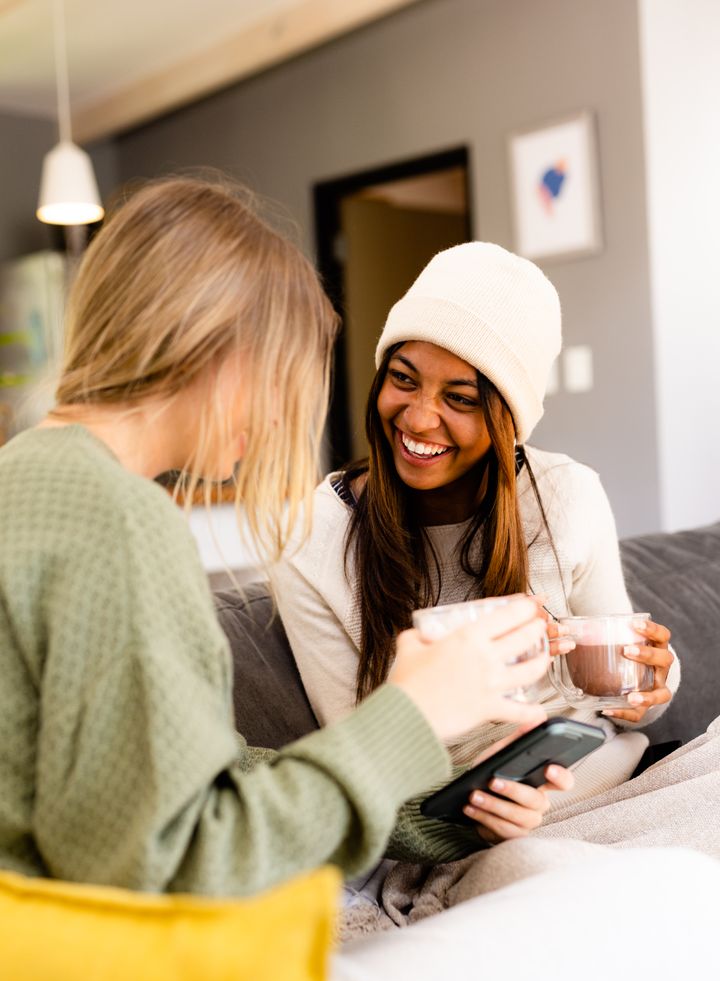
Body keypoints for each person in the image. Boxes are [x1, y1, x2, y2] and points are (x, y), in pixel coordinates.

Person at [2, 178, 719, 981]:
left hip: (82, 978)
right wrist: (414, 715)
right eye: (290, 376)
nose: (281, 420)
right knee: (681, 912)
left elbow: (198, 796)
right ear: (225, 352)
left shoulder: (32, 481)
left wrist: (442, 815)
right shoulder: (119, 523)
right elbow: (189, 863)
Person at [273, 241, 679, 841]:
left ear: (509, 418)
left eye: (459, 399)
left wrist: (656, 682)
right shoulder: (312, 540)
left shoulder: (566, 493)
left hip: (621, 784)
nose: (417, 419)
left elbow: (624, 679)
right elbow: (361, 765)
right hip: (472, 835)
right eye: (402, 379)